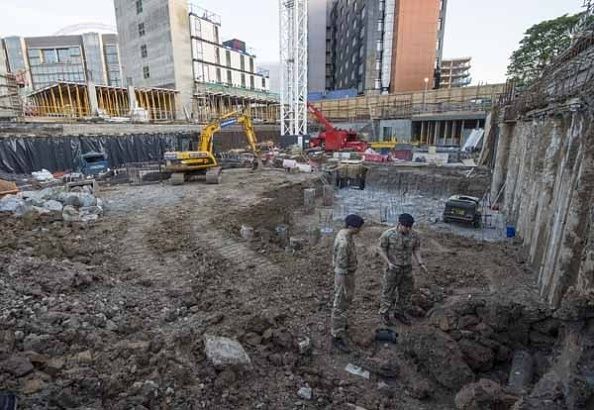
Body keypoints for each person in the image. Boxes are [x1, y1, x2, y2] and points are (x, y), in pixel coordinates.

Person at [378, 213, 427, 326]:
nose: (408, 229)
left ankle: (399, 313)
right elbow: (381, 249)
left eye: (410, 227)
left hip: (407, 269)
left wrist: (420, 263)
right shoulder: (388, 234)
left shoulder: (414, 235)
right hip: (393, 268)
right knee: (388, 292)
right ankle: (384, 314)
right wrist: (388, 262)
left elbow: (416, 249)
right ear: (399, 224)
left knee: (405, 292)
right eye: (406, 226)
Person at [331, 214, 365, 352]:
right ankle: (336, 336)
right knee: (339, 304)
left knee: (344, 303)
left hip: (348, 275)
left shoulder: (343, 233)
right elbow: (340, 271)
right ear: (352, 227)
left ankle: (341, 325)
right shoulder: (344, 242)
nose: (360, 230)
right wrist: (342, 288)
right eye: (359, 228)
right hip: (344, 277)